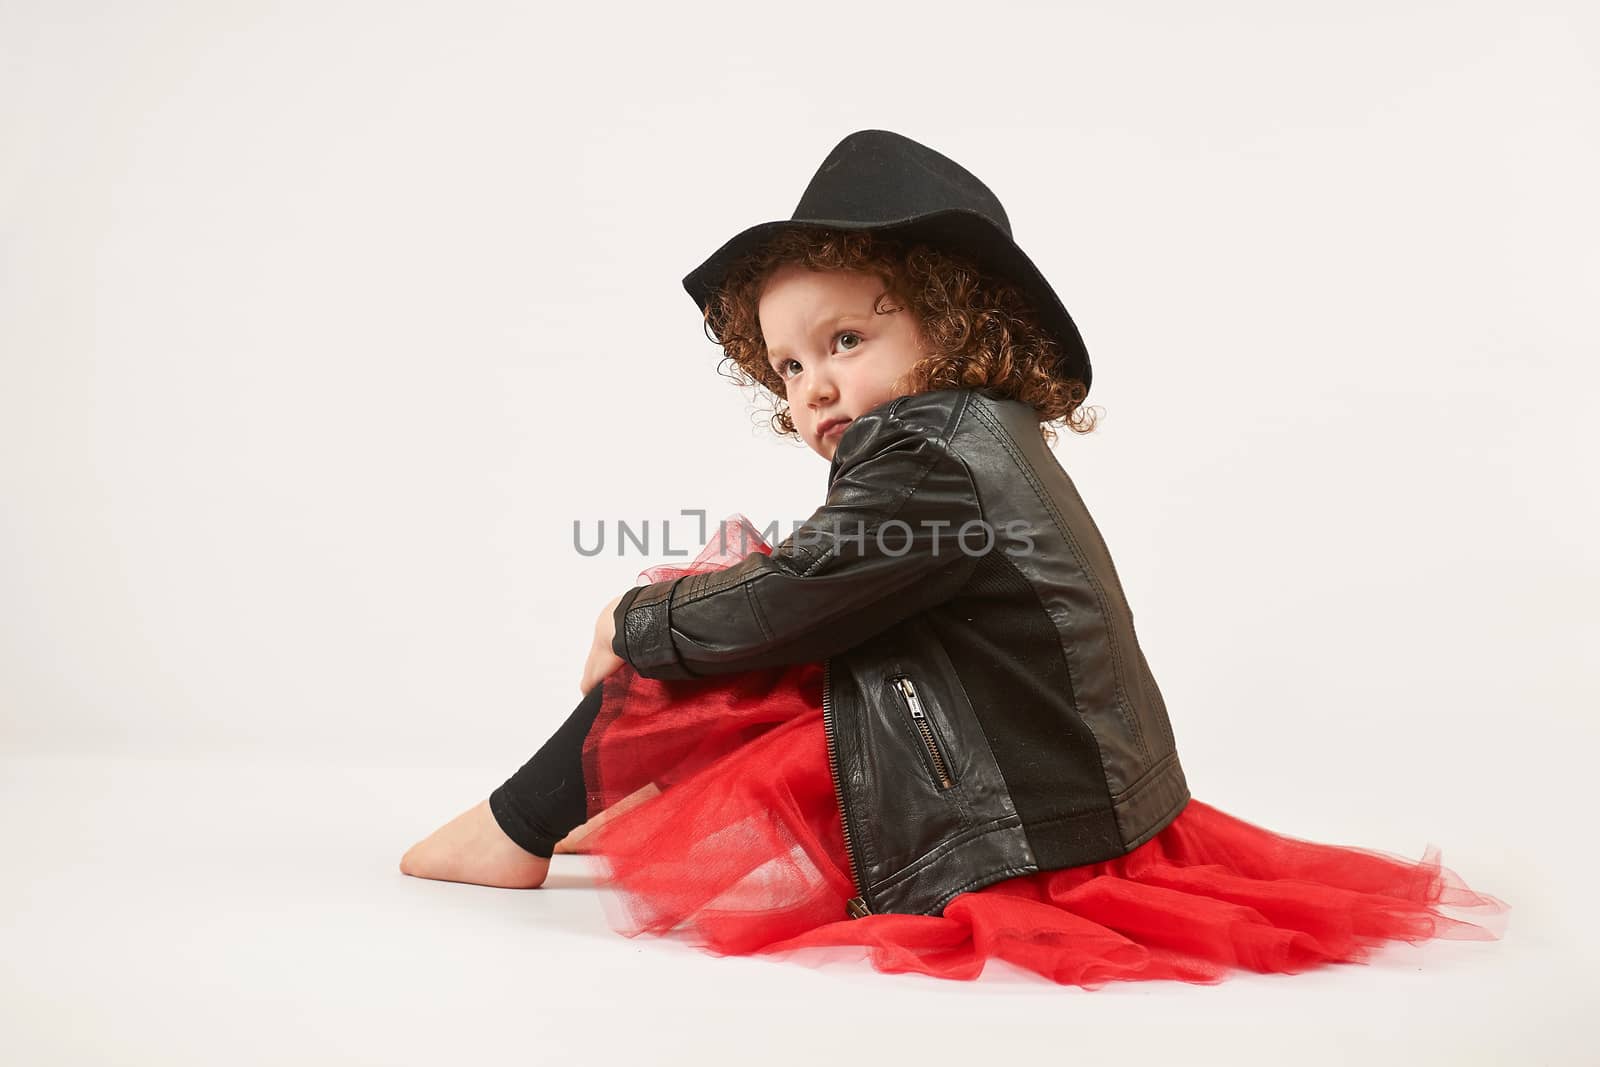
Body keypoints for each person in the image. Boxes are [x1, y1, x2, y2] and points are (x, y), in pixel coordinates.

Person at [400, 129, 1508, 986]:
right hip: (1046, 779)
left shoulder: (933, 457)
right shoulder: (963, 436)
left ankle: (516, 825)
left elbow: (793, 596)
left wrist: (635, 620)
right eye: (786, 366)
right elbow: (828, 575)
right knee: (729, 596)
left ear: (954, 325)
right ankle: (604, 798)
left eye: (845, 341)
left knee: (707, 625)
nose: (813, 387)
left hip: (1017, 828)